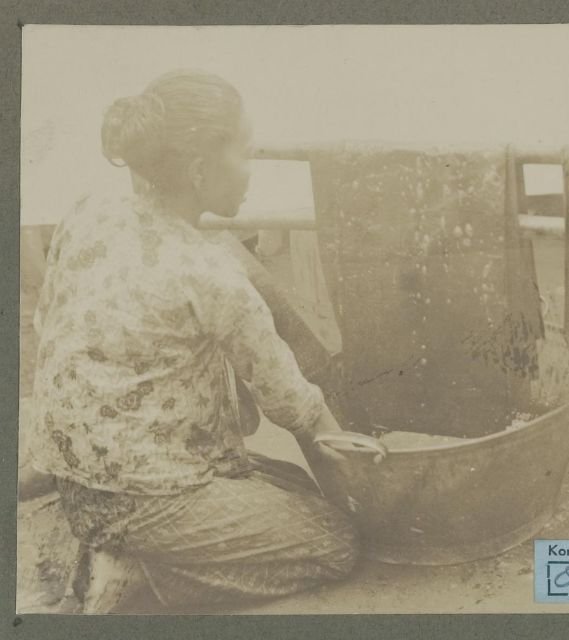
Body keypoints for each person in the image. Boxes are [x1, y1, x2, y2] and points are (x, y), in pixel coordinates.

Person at [27, 69, 358, 613]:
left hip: (78, 482)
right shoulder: (211, 272)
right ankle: (143, 578)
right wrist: (361, 471)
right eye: (245, 154)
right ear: (201, 170)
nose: (251, 170)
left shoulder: (90, 211)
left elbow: (49, 326)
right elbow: (292, 403)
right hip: (146, 498)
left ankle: (121, 545)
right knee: (334, 541)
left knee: (292, 484)